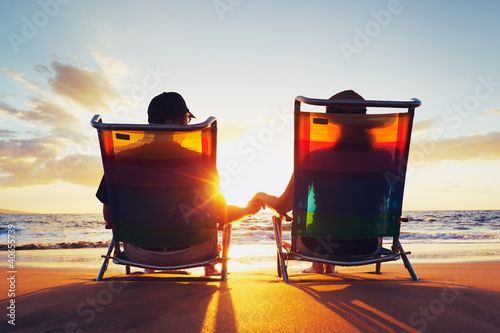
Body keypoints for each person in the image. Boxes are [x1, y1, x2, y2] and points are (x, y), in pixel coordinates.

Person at [96, 92, 261, 276]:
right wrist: (247, 209)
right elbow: (221, 215)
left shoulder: (121, 161)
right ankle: (210, 268)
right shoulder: (201, 162)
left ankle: (150, 267)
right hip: (194, 253)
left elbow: (109, 217)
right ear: (181, 122)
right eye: (188, 120)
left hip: (138, 254)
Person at [253, 90, 389, 274]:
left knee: (321, 223)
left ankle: (318, 263)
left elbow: (283, 206)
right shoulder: (385, 158)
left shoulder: (315, 158)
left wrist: (261, 196)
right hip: (367, 246)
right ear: (366, 124)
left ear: (331, 123)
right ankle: (325, 265)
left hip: (318, 247)